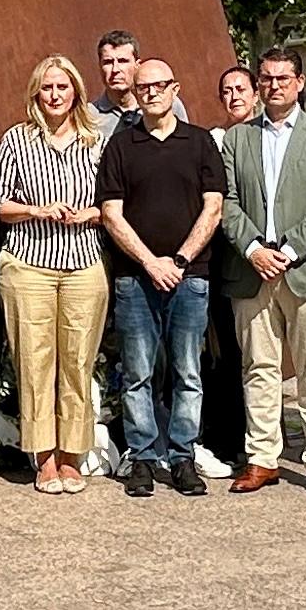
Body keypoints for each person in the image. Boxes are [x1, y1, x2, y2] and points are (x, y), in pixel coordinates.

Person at [88, 56, 223, 498]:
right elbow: (111, 213)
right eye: (143, 87)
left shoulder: (200, 142)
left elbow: (214, 207)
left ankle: (182, 456)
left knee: (188, 371)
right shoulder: (121, 147)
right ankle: (143, 457)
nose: (150, 93)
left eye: (159, 85)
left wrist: (180, 261)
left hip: (191, 277)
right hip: (135, 278)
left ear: (175, 88)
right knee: (137, 374)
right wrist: (150, 262)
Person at [220, 50, 306, 497]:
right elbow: (227, 202)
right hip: (252, 270)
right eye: (266, 78)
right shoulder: (237, 140)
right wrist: (255, 248)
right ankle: (262, 458)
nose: (274, 86)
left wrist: (288, 250)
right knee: (259, 366)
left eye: (282, 78)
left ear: (299, 83)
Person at [0, 55, 111, 494]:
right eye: (47, 88)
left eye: (63, 87)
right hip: (29, 262)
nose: (55, 95)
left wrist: (93, 213)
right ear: (36, 94)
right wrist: (35, 210)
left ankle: (73, 456)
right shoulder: (17, 141)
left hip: (83, 263)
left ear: (76, 91)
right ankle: (42, 457)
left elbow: (114, 203)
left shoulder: (95, 141)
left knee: (78, 362)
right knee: (35, 363)